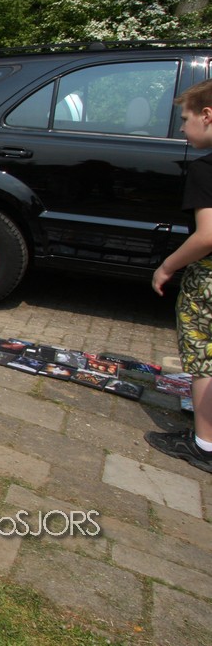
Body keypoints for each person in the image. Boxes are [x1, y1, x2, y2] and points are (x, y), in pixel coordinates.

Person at [148, 79, 212, 474]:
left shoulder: (206, 169)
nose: (183, 129)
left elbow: (208, 235)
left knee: (204, 356)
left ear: (207, 116)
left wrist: (168, 265)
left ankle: (204, 443)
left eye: (185, 120)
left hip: (208, 280)